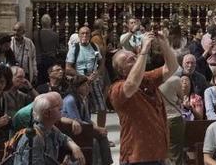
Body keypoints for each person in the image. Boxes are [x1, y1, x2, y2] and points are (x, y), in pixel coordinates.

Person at [110, 31, 179, 165]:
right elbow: (131, 84)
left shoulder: (146, 78)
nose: (135, 58)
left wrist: (164, 43)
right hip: (136, 157)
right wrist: (143, 52)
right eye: (129, 60)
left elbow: (172, 67)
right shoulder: (116, 89)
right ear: (122, 71)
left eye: (134, 56)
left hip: (159, 153)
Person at [13, 92, 86, 165]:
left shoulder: (50, 128)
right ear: (46, 113)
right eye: (58, 107)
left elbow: (63, 138)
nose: (61, 108)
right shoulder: (34, 139)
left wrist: (75, 147)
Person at [62, 75, 112, 165]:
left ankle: (107, 163)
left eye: (88, 85)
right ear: (77, 88)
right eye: (84, 85)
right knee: (94, 142)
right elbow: (77, 120)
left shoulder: (84, 99)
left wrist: (98, 127)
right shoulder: (70, 100)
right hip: (72, 131)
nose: (88, 87)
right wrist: (96, 129)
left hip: (83, 128)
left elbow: (87, 119)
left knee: (103, 136)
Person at [66, 25, 107, 128]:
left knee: (102, 108)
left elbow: (101, 63)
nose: (84, 35)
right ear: (79, 35)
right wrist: (82, 77)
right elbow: (68, 68)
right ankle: (87, 132)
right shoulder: (74, 48)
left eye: (87, 33)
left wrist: (97, 73)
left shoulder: (94, 47)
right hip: (80, 83)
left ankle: (101, 131)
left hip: (94, 81)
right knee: (84, 108)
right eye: (82, 33)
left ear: (90, 35)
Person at [34, 14, 59, 86]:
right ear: (50, 22)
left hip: (39, 61)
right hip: (50, 61)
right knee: (50, 81)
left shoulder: (35, 34)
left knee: (40, 82)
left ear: (41, 23)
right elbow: (57, 47)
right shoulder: (55, 35)